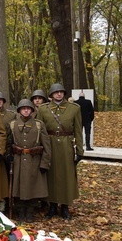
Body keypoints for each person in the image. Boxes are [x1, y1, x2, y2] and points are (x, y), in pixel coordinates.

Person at [36, 83, 83, 220]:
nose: (59, 94)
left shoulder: (74, 108)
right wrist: (39, 148)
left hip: (66, 146)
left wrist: (79, 150)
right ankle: (52, 205)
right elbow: (39, 130)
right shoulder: (43, 109)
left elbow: (78, 130)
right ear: (51, 95)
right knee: (50, 176)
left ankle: (65, 207)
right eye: (56, 92)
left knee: (67, 176)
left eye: (61, 92)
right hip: (48, 145)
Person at [9, 99, 51, 222]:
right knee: (19, 186)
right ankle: (21, 211)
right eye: (23, 108)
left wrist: (44, 163)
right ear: (19, 111)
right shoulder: (13, 124)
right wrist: (9, 156)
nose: (26, 110)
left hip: (34, 160)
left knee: (33, 186)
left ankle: (30, 211)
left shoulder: (39, 125)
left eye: (28, 108)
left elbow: (46, 146)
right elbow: (8, 143)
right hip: (18, 160)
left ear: (32, 110)